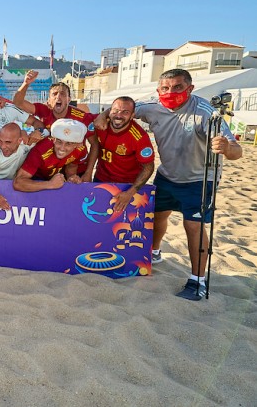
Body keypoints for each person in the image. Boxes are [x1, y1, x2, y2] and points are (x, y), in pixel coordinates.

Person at [108, 69, 241, 300]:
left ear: (190, 88)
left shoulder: (204, 113)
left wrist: (227, 148)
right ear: (158, 90)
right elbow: (122, 109)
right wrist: (103, 115)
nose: (171, 92)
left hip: (200, 179)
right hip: (167, 175)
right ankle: (156, 252)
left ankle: (197, 280)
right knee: (157, 216)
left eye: (178, 87)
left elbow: (236, 150)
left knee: (194, 227)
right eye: (165, 88)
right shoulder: (151, 106)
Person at [13, 70, 99, 181]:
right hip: (46, 163)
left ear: (69, 99)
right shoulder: (44, 110)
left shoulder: (81, 117)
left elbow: (94, 144)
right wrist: (26, 83)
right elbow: (18, 102)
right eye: (54, 94)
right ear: (49, 100)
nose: (58, 97)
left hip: (73, 163)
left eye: (63, 94)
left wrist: (88, 173)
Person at [93, 96, 155, 213]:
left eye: (125, 112)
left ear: (132, 115)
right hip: (100, 179)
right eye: (115, 111)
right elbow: (94, 146)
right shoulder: (101, 125)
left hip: (126, 186)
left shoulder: (139, 138)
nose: (119, 115)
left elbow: (149, 167)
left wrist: (130, 192)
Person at [13, 118, 87, 192]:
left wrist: (72, 178)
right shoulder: (40, 150)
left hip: (56, 178)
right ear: (53, 139)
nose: (62, 148)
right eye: (59, 141)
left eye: (68, 143)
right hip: (35, 180)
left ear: (77, 145)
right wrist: (50, 184)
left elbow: (71, 168)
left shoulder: (80, 149)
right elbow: (18, 182)